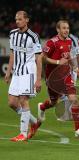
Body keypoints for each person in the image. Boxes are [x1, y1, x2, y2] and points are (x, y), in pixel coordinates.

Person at [37, 20, 79, 137]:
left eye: (67, 28)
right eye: (64, 28)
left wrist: (76, 70)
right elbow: (42, 58)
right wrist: (58, 62)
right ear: (58, 30)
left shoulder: (69, 41)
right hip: (53, 78)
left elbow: (68, 56)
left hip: (66, 75)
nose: (66, 30)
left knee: (73, 99)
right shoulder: (52, 42)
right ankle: (42, 107)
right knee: (53, 102)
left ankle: (77, 130)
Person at [4, 11, 42, 141]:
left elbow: (39, 59)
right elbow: (12, 54)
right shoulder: (12, 34)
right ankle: (34, 122)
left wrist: (38, 79)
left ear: (27, 20)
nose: (17, 21)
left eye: (20, 19)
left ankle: (23, 134)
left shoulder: (33, 36)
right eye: (16, 19)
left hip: (28, 71)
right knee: (12, 103)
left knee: (23, 100)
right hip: (17, 72)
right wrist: (8, 72)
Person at [57, 33, 79, 122]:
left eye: (66, 28)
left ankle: (68, 114)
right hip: (63, 68)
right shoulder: (59, 39)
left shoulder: (72, 39)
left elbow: (78, 53)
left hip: (71, 68)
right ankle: (72, 112)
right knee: (63, 92)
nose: (65, 30)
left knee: (68, 92)